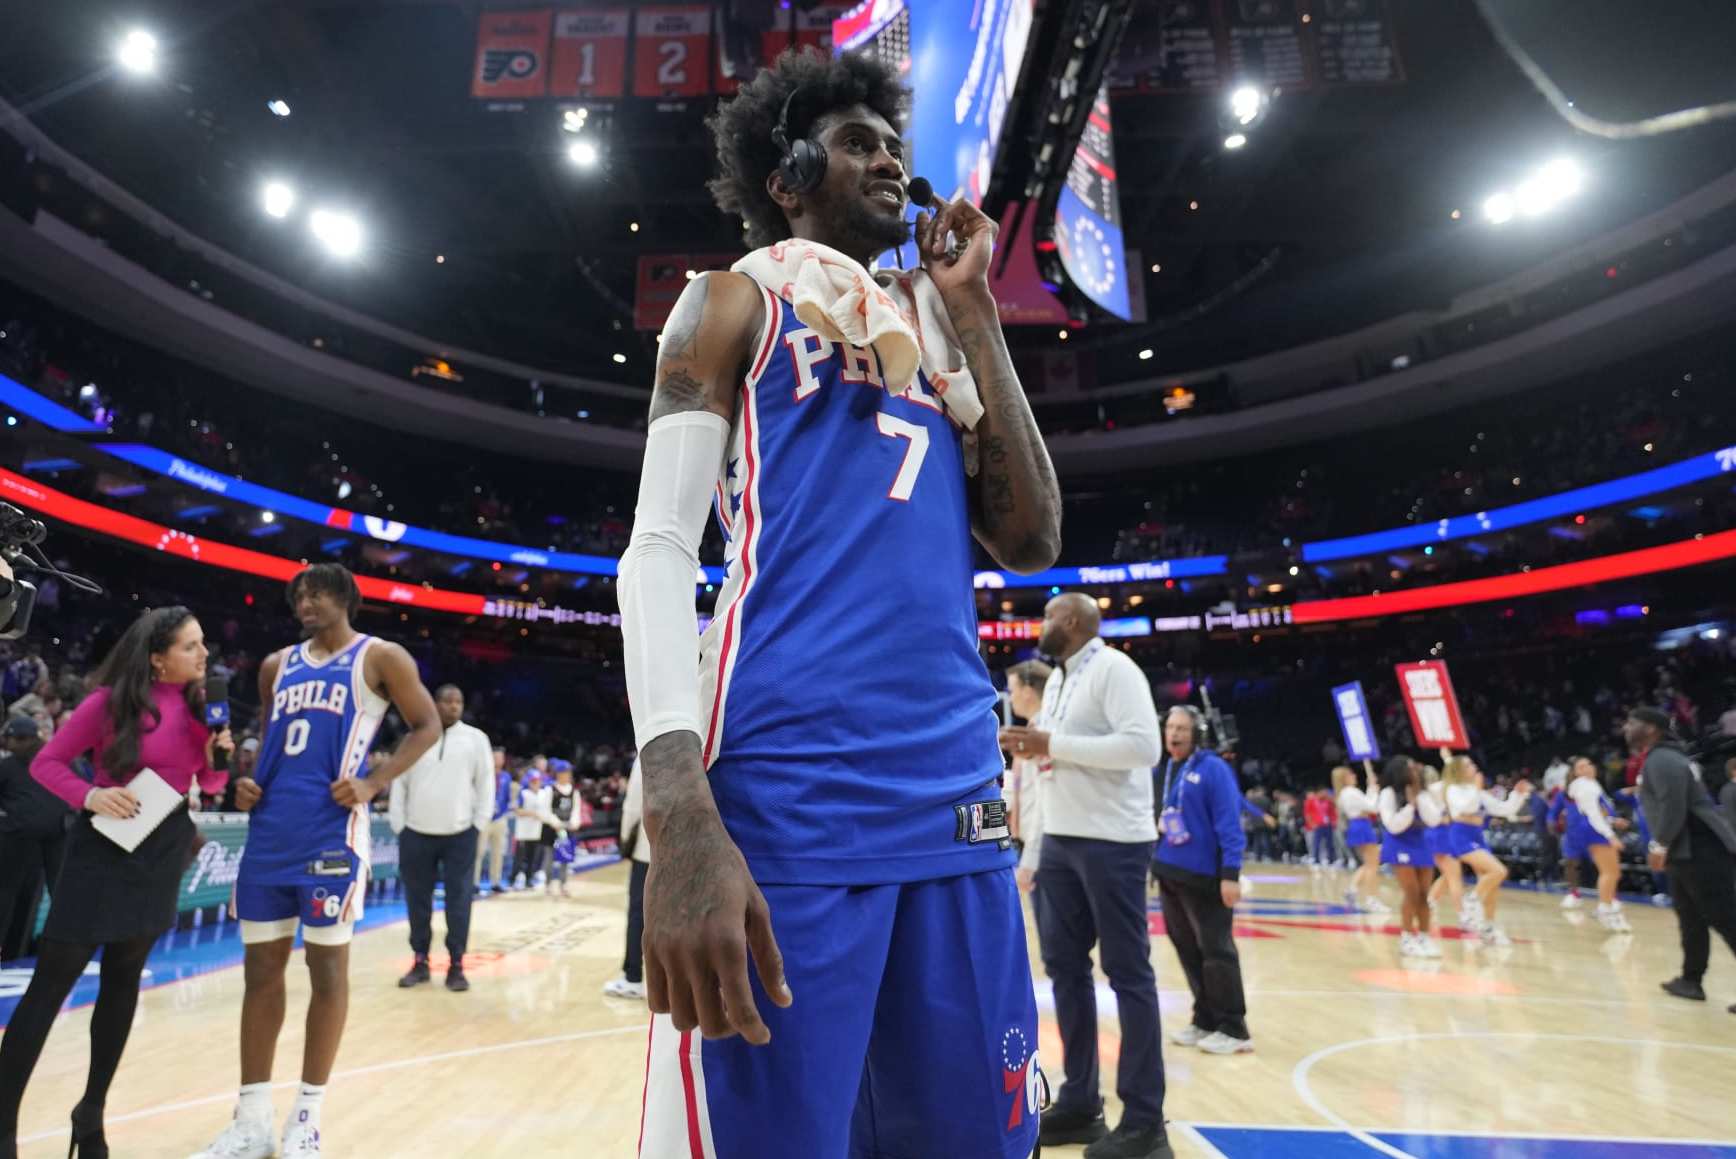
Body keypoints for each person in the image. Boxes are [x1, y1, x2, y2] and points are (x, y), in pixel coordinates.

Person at [619, 47, 1062, 1159]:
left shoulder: (930, 347)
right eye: (858, 141)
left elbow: (1031, 538)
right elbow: (658, 551)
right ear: (788, 174)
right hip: (790, 803)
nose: (886, 159)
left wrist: (976, 314)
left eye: (891, 144)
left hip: (956, 805)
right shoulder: (727, 305)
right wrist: (676, 818)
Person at [192, 565, 438, 1159]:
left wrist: (374, 781)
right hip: (269, 833)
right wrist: (248, 781)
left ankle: (306, 1118)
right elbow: (272, 738)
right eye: (299, 594)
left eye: (318, 592)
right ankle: (251, 1121)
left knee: (326, 975)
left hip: (331, 835)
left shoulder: (380, 657)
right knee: (260, 975)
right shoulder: (277, 665)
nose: (306, 602)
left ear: (347, 598)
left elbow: (427, 725)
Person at [0, 607, 232, 1158]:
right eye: (191, 646)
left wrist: (217, 759)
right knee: (49, 987)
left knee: (124, 979)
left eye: (204, 644)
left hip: (162, 846)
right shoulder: (107, 704)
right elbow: (47, 764)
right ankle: (3, 1125)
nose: (204, 655)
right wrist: (90, 794)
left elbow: (212, 782)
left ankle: (90, 1114)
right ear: (157, 659)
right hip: (101, 846)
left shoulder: (203, 707)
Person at [1001, 593, 1168, 1154]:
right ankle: (1081, 1102)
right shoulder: (1064, 680)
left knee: (1128, 975)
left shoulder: (1115, 669)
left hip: (1114, 842)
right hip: (1063, 841)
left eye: (1048, 617)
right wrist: (1030, 748)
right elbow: (1060, 755)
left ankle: (1146, 1122)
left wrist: (1051, 743)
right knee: (1065, 972)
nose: (1041, 626)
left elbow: (1144, 747)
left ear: (1070, 623)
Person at [1152, 706, 1252, 1055]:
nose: (1174, 734)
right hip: (1169, 873)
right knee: (1188, 951)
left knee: (1217, 952)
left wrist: (1231, 875)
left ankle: (1234, 1027)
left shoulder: (1214, 769)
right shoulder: (1165, 768)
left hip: (1206, 877)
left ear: (1197, 733)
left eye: (1182, 728)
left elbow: (1229, 824)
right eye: (1170, 727)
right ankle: (1205, 1018)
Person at [1629, 707, 1736, 1011]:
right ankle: (1691, 980)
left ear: (1651, 729)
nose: (1626, 728)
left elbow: (1673, 807)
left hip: (1700, 846)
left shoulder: (1662, 759)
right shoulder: (1666, 757)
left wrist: (1659, 845)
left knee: (1725, 916)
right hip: (1685, 847)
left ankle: (1692, 979)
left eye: (1632, 722)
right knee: (1690, 917)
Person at [388, 684, 493, 991]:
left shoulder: (476, 739)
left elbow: (485, 783)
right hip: (416, 833)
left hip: (460, 834)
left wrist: (478, 824)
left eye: (458, 701)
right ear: (434, 703)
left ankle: (456, 965)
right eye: (447, 701)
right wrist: (400, 826)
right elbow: (399, 781)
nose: (453, 706)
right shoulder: (414, 736)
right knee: (416, 901)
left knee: (459, 902)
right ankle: (420, 961)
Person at [0, 716, 71, 963]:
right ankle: (60, 952)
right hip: (56, 837)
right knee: (52, 896)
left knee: (6, 896)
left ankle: (8, 954)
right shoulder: (56, 762)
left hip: (18, 838)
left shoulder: (8, 766)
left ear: (16, 739)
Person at [1442, 756, 1531, 947]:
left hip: (1478, 837)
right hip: (1461, 836)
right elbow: (1465, 808)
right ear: (1458, 771)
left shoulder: (1478, 792)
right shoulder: (1453, 790)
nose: (1474, 767)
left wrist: (1518, 794)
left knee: (1492, 887)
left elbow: (1504, 809)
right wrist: (1476, 788)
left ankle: (1488, 929)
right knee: (1498, 871)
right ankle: (1471, 900)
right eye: (1468, 765)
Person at [1002, 658, 1053, 928]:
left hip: (1044, 849)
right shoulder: (1032, 729)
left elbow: (1046, 801)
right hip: (1032, 844)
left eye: (1012, 690)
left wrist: (1031, 860)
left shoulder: (1044, 733)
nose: (1010, 699)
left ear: (1029, 690)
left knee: (1055, 943)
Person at [1377, 757, 1440, 958]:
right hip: (1399, 842)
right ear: (1400, 771)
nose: (1416, 770)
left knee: (1424, 894)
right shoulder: (1387, 794)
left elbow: (1433, 820)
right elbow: (1392, 825)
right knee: (1411, 892)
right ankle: (1406, 937)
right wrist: (1410, 806)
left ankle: (1424, 936)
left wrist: (1419, 796)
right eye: (1411, 767)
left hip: (1421, 841)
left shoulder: (1423, 793)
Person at [1561, 756, 1631, 932]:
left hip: (1596, 828)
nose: (1587, 768)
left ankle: (1606, 908)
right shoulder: (1585, 786)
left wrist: (1613, 821)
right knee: (1609, 872)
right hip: (1594, 830)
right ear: (1576, 773)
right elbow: (1593, 815)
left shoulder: (1592, 785)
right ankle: (1605, 909)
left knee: (1613, 872)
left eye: (1589, 764)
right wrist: (1611, 836)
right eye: (1581, 767)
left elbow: (1600, 812)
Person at [602, 758, 649, 1000]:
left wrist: (626, 843)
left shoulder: (647, 750)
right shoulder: (699, 743)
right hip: (688, 851)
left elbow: (632, 806)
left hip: (648, 849)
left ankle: (633, 978)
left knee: (638, 916)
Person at [1333, 765, 1386, 913]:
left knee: (1369, 863)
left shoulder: (1344, 793)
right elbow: (1373, 807)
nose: (1355, 776)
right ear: (1345, 778)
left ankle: (1352, 890)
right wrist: (1374, 791)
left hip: (1358, 824)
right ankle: (1372, 899)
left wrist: (1370, 788)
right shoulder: (1352, 792)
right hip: (1362, 825)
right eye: (1351, 774)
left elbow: (1366, 804)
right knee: (1373, 865)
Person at [538, 759, 586, 897]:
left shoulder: (574, 792)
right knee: (549, 857)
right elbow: (545, 810)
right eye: (565, 772)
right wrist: (556, 823)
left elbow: (576, 810)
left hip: (567, 828)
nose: (568, 774)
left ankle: (563, 884)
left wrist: (574, 822)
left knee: (565, 858)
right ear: (559, 774)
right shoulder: (549, 789)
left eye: (569, 772)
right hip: (552, 828)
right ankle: (547, 884)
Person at [474, 744, 511, 892]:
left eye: (500, 757)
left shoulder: (506, 777)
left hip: (500, 819)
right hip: (484, 818)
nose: (498, 760)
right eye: (495, 757)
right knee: (479, 851)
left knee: (498, 852)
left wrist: (502, 812)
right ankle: (474, 883)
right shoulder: (483, 774)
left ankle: (495, 881)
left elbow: (507, 798)